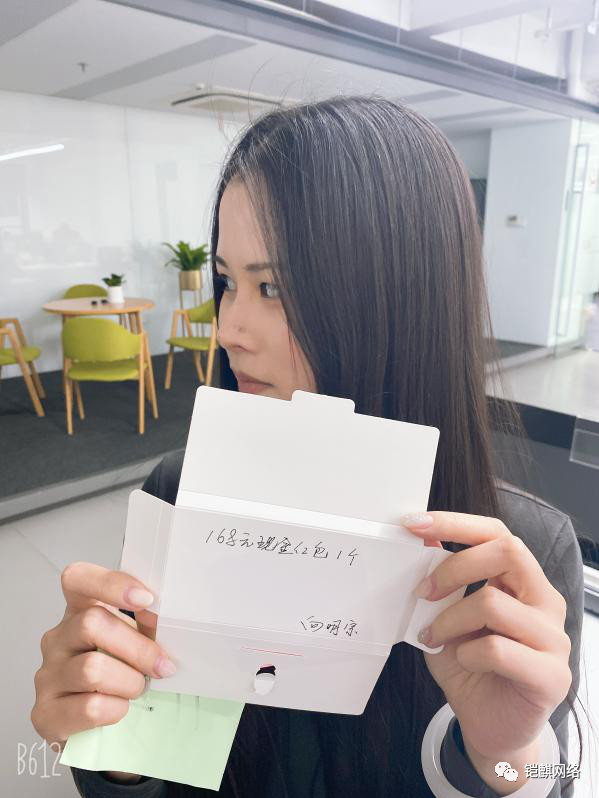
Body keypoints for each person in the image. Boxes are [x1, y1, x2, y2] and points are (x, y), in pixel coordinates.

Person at [31, 95, 585, 797]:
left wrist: (509, 754)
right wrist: (114, 746)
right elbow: (151, 770)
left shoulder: (519, 557)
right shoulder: (178, 490)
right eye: (227, 282)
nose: (229, 329)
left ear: (398, 300)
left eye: (273, 287)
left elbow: (548, 776)